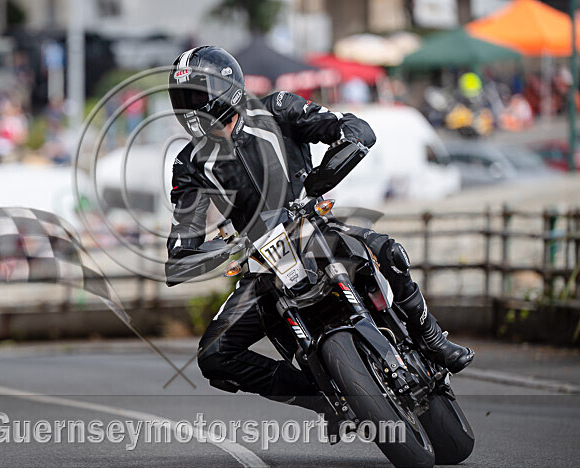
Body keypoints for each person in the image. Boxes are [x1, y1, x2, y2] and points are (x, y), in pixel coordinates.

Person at [165, 46, 474, 409]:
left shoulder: (277, 108)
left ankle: (430, 336)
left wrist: (325, 172)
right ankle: (318, 395)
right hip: (261, 263)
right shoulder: (188, 164)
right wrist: (210, 251)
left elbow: (352, 128)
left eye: (197, 95)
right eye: (183, 98)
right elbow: (181, 246)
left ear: (226, 87)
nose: (191, 107)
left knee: (388, 251)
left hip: (310, 227)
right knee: (214, 354)